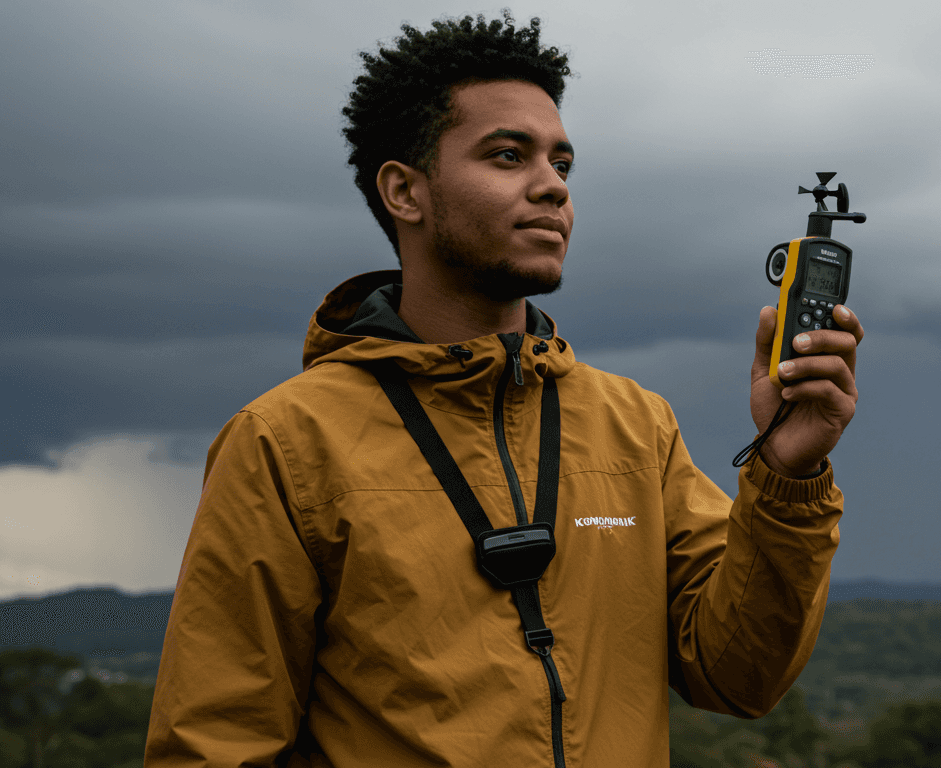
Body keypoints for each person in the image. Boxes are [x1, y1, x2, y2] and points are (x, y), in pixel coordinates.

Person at [145, 12, 863, 768]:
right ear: (405, 192)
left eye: (562, 164)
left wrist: (788, 472)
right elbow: (213, 745)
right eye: (508, 156)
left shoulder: (635, 424)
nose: (551, 187)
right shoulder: (283, 443)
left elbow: (739, 676)